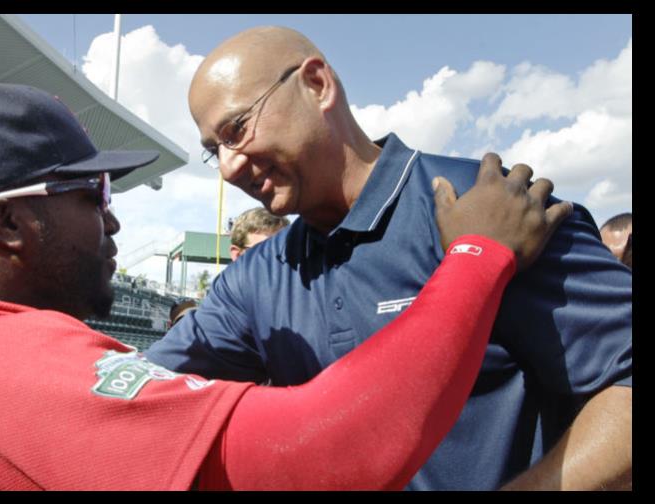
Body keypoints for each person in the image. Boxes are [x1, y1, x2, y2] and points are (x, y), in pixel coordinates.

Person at [0, 82, 568, 490]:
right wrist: (478, 254)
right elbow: (328, 454)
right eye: (92, 196)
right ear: (10, 224)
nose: (111, 223)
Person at [145, 26, 632, 490]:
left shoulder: (491, 209)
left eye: (237, 130)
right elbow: (140, 393)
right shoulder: (255, 280)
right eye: (214, 150)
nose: (228, 167)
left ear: (316, 84)